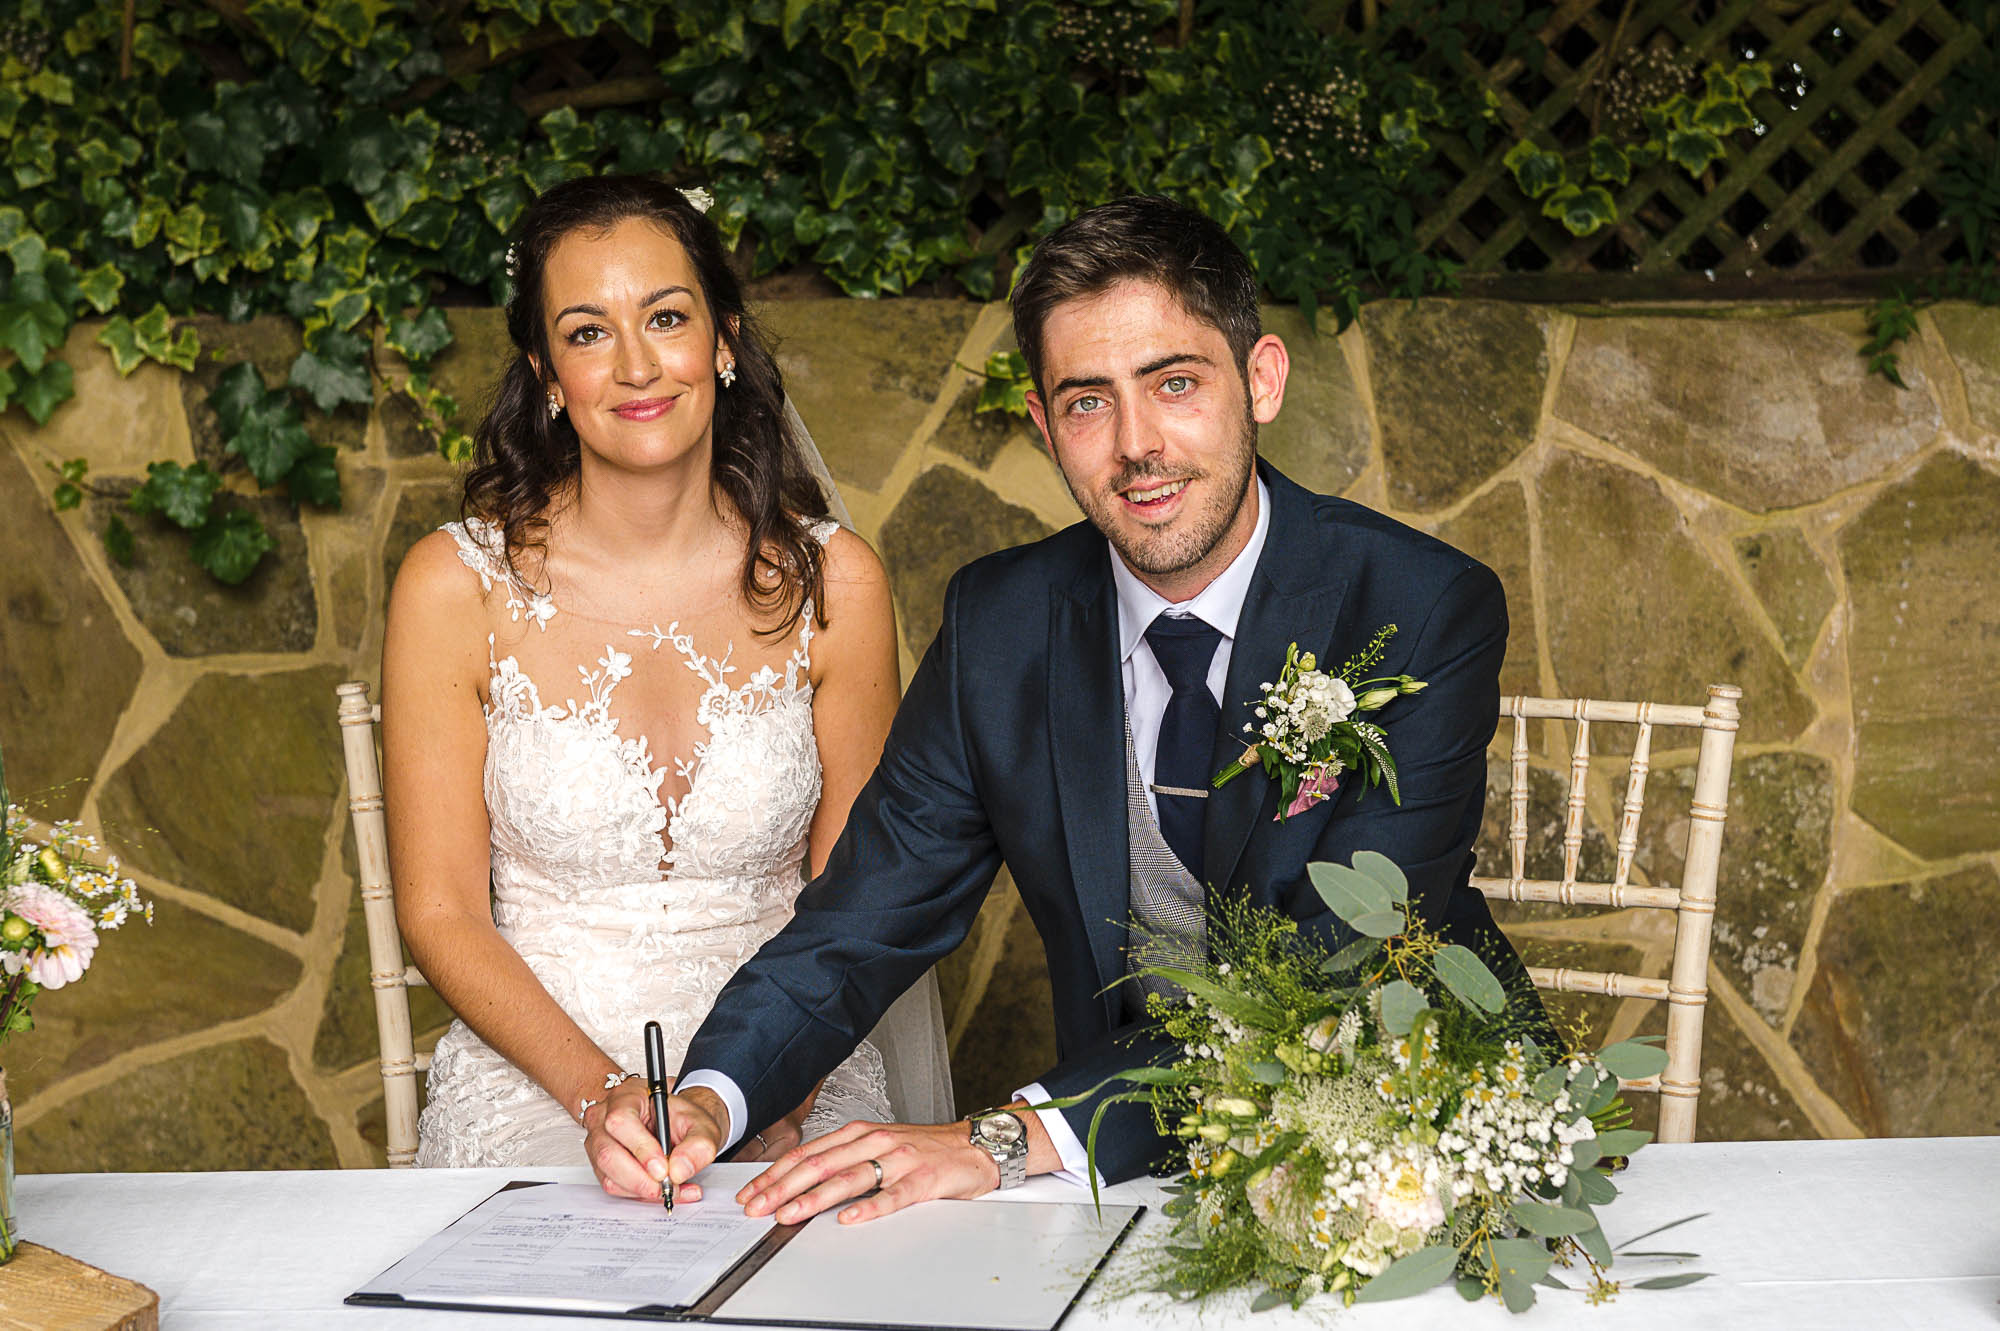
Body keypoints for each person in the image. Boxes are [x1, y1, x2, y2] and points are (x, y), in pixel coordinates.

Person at [588, 193, 1549, 1218]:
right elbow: (865, 911)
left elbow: (1337, 960)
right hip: (1119, 1176)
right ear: (1044, 425)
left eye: (1174, 383)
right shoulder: (1002, 622)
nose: (1136, 445)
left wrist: (1014, 1132)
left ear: (1259, 379)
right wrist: (707, 1096)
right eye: (1087, 402)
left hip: (1406, 1138)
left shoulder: (1415, 606)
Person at [380, 174, 949, 1172]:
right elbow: (440, 913)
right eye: (589, 332)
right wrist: (601, 1097)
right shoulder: (453, 586)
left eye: (667, 317)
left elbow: (853, 896)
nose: (637, 365)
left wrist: (766, 1093)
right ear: (546, 371)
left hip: (793, 1068)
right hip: (539, 1076)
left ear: (722, 341)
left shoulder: (835, 584)